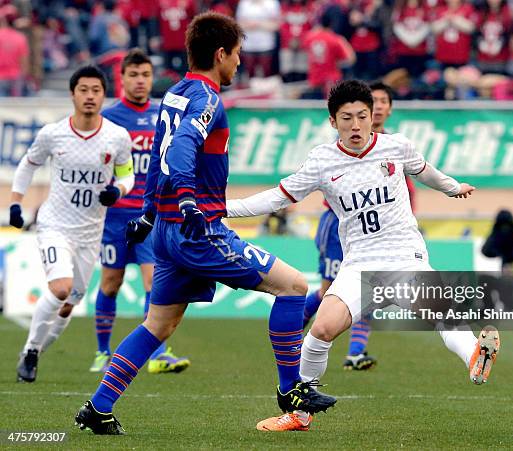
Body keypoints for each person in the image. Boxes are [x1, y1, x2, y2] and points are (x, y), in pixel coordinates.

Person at [74, 12, 336, 436]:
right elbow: (179, 150)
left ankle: (98, 407)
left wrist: (148, 213)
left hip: (166, 231)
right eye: (236, 55)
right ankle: (291, 392)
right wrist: (190, 201)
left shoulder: (174, 94)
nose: (238, 64)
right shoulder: (208, 99)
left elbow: (158, 154)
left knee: (159, 324)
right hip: (199, 230)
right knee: (293, 287)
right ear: (220, 54)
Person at [226, 80, 501, 432]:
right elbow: (277, 198)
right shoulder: (322, 161)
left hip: (405, 255)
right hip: (358, 264)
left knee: (440, 312)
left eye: (362, 116)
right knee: (321, 330)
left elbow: (425, 170)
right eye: (346, 118)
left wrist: (452, 187)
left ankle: (475, 356)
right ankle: (299, 414)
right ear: (332, 121)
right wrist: (223, 208)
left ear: (374, 116)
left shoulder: (396, 147)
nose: (355, 126)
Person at [12, 65, 135, 383]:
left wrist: (117, 190)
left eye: (96, 90)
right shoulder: (53, 134)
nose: (90, 96)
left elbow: (128, 174)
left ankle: (37, 350)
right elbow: (27, 165)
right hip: (55, 225)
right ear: (73, 94)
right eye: (84, 90)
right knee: (60, 288)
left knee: (71, 302)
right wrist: (15, 202)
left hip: (90, 233)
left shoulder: (117, 137)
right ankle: (31, 350)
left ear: (104, 95)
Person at [302, 82, 417, 371]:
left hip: (382, 236)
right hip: (340, 227)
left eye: (382, 101)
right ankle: (294, 333)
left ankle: (355, 352)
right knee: (329, 291)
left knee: (370, 292)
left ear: (389, 109)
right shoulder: (341, 144)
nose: (378, 106)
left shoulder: (393, 144)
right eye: (373, 101)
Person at [90, 48, 190, 375]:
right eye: (133, 75)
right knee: (110, 283)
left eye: (145, 75)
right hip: (116, 216)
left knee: (154, 282)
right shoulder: (109, 119)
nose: (140, 81)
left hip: (150, 215)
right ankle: (103, 352)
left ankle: (159, 354)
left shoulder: (164, 115)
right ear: (122, 79)